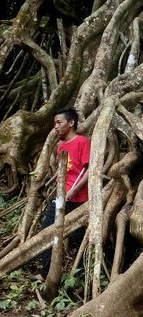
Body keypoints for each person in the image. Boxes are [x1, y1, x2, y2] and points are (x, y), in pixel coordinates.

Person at [39, 107, 90, 279]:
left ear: (71, 123)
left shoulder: (82, 142)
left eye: (59, 122)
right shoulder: (60, 146)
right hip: (61, 198)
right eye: (54, 123)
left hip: (79, 200)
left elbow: (89, 170)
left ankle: (81, 278)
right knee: (46, 232)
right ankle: (46, 274)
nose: (56, 126)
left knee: (79, 239)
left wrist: (74, 190)